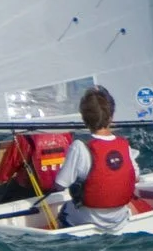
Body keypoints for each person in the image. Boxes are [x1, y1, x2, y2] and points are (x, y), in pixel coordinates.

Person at [48, 86, 145, 229]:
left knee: (65, 210)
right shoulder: (124, 145)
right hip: (119, 217)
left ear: (84, 118)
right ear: (111, 117)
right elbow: (136, 177)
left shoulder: (79, 146)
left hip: (88, 217)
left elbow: (60, 184)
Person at [0, 125, 76, 205]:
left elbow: (8, 165)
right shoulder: (66, 135)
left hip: (29, 189)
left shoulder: (24, 137)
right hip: (60, 187)